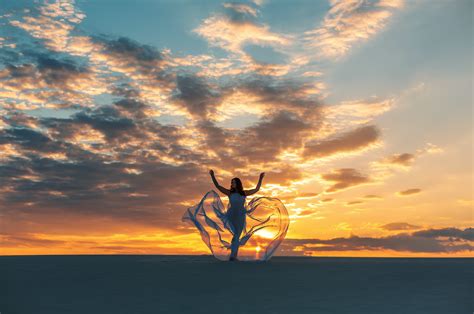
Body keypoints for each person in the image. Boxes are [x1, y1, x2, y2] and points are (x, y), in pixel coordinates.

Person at [209, 169, 264, 261]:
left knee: (237, 235)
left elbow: (256, 189)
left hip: (241, 216)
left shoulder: (244, 193)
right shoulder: (229, 193)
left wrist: (260, 178)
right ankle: (233, 256)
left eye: (234, 182)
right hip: (232, 215)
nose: (232, 184)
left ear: (238, 183)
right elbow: (218, 186)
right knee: (236, 235)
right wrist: (212, 176)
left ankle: (234, 255)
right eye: (232, 182)